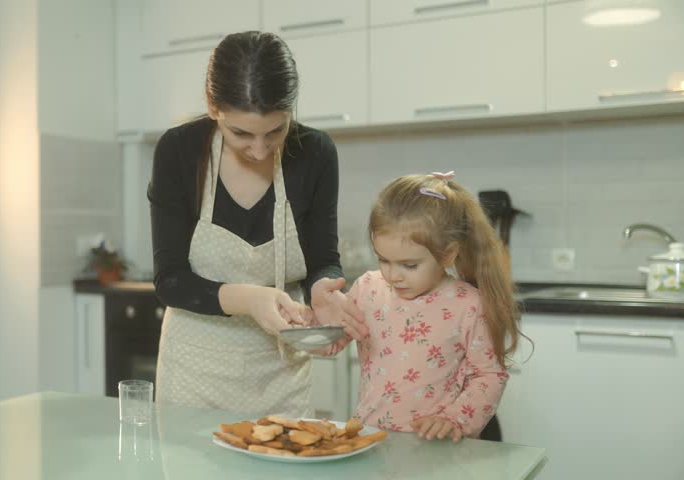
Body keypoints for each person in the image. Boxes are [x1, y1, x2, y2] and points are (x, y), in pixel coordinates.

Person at [148, 31, 366, 417]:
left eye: (276, 131)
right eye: (241, 134)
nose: (260, 150)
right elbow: (171, 281)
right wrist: (251, 300)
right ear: (213, 106)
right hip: (194, 376)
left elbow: (322, 260)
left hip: (280, 373)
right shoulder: (179, 151)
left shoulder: (315, 153)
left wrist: (322, 292)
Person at [312, 171, 522, 442]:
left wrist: (454, 418)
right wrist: (311, 331)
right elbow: (335, 339)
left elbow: (489, 375)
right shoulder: (367, 288)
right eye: (383, 259)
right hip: (372, 438)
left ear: (448, 254)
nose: (393, 275)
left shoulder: (468, 305)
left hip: (436, 446)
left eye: (409, 265)